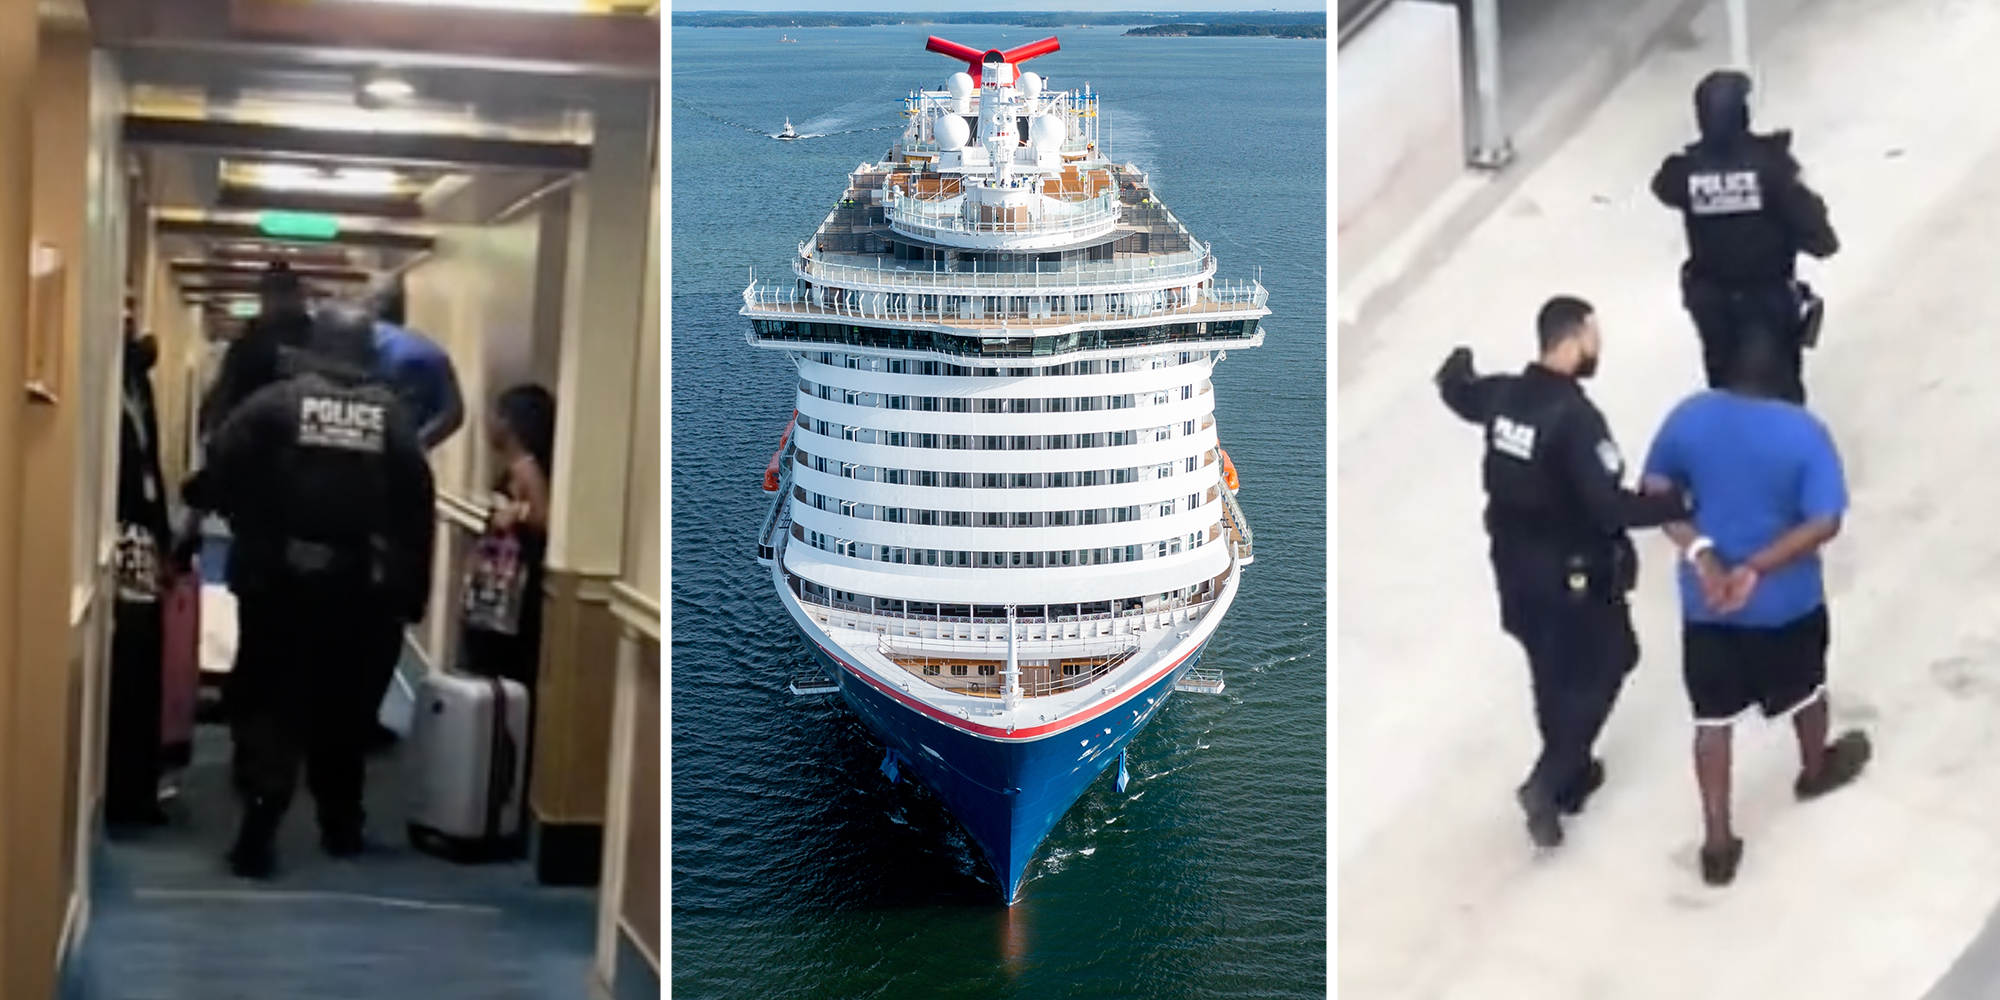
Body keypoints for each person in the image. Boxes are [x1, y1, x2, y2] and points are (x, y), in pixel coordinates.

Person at [183, 302, 436, 879]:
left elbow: (222, 466)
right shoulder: (391, 417)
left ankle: (261, 817)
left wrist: (220, 511)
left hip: (277, 578)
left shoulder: (274, 404)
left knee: (268, 696)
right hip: (357, 588)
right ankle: (341, 823)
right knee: (344, 707)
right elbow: (415, 507)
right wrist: (411, 591)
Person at [1435, 295, 1690, 849]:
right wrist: (1678, 505)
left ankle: (1569, 778)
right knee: (1612, 658)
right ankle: (1550, 778)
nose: (1598, 347)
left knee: (1548, 670)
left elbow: (1460, 392)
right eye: (1593, 336)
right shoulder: (1575, 420)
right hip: (1570, 572)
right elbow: (1609, 508)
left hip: (1512, 565)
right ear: (1573, 342)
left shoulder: (1505, 397)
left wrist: (1456, 366)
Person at [1640, 330, 1871, 887]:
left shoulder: (1689, 417)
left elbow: (1653, 491)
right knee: (1807, 690)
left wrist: (1706, 557)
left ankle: (1717, 842)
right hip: (1784, 606)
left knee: (1712, 721)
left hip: (1707, 606)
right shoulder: (1803, 433)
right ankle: (1815, 767)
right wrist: (1756, 569)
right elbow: (1825, 521)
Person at [1650, 69, 1839, 404]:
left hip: (1713, 307)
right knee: (1781, 395)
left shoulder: (1686, 172)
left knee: (1726, 394)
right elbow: (1820, 238)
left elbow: (1664, 185)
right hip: (1766, 303)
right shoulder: (1771, 169)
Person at [106, 304, 173, 828]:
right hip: (114, 538)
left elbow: (152, 468)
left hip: (141, 538)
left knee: (142, 656)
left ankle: (137, 786)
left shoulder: (134, 379)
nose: (128, 313)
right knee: (128, 659)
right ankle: (123, 789)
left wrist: (165, 543)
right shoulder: (102, 380)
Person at [369, 276, 465, 450]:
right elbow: (454, 414)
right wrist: (416, 447)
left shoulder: (356, 343)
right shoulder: (432, 351)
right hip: (408, 463)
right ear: (403, 308)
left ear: (369, 306)